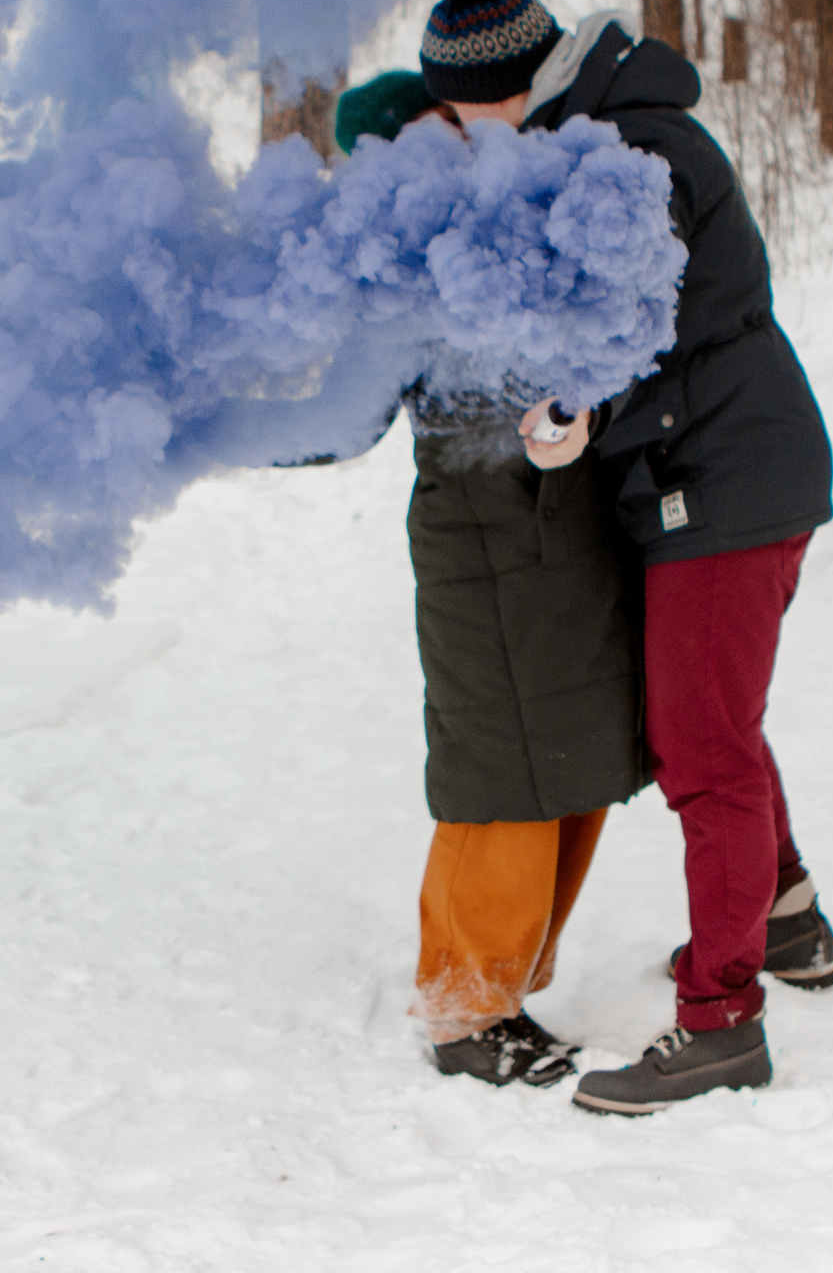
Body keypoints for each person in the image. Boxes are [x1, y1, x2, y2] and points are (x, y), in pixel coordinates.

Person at [420, 0, 833, 1116]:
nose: (467, 135)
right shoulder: (608, 124)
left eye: (464, 114)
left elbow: (627, 310)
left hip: (721, 479)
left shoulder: (629, 151)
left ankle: (720, 1021)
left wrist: (574, 411)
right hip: (718, 469)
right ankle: (787, 920)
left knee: (703, 750)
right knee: (702, 727)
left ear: (505, 87)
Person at [298, 62, 651, 1091]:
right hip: (478, 541)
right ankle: (465, 1009)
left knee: (568, 760)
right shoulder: (398, 265)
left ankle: (502, 982)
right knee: (502, 772)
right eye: (431, 144)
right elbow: (339, 416)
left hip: (558, 530)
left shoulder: (503, 226)